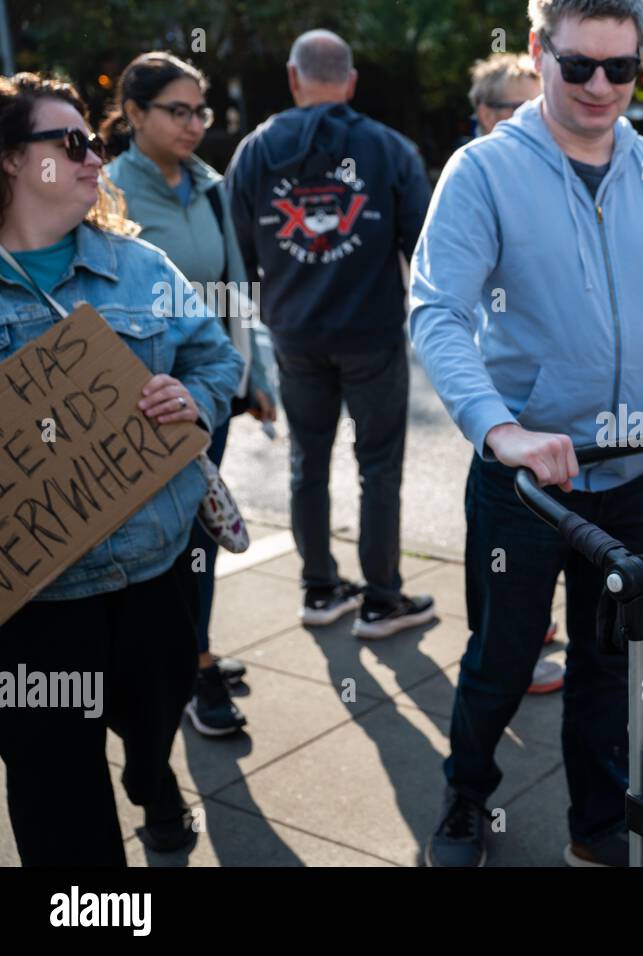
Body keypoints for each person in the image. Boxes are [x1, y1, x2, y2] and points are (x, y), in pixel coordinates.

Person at [409, 0, 643, 867]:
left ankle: (595, 823)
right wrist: (500, 431)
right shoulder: (482, 171)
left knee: (607, 666)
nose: (601, 87)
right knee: (502, 657)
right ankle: (466, 795)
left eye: (621, 69)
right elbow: (437, 312)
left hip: (632, 475)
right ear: (537, 50)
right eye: (579, 65)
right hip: (525, 484)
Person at [0, 73, 244, 865]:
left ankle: (151, 775)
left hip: (154, 579)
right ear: (10, 159)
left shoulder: (142, 269)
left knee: (150, 720)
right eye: (70, 143)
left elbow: (217, 359)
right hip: (35, 609)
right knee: (57, 797)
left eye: (95, 142)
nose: (91, 156)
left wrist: (194, 400)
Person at [226, 29, 436, 638]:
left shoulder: (256, 151)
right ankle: (380, 599)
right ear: (350, 82)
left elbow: (239, 254)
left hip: (294, 335)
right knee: (379, 467)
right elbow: (424, 249)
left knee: (305, 461)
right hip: (371, 332)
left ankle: (319, 589)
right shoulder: (389, 149)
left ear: (293, 78)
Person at [102, 51, 277, 736]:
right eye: (178, 110)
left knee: (200, 528)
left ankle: (193, 655)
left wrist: (252, 376)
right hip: (139, 404)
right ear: (135, 113)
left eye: (200, 110)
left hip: (208, 390)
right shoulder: (104, 188)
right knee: (160, 541)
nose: (195, 124)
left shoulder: (208, 183)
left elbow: (237, 289)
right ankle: (186, 671)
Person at [464, 52, 565, 695]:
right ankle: (506, 647)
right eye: (517, 106)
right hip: (501, 407)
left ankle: (529, 629)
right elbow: (445, 307)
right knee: (497, 557)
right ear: (485, 114)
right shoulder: (476, 176)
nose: (536, 119)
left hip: (557, 429)